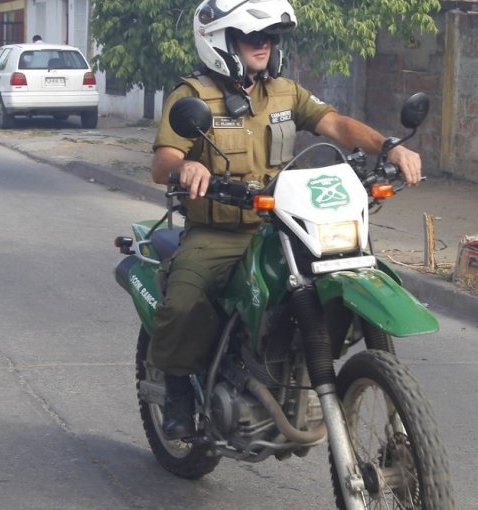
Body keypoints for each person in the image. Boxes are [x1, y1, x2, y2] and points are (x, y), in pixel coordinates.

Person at [150, 0, 422, 440]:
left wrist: (388, 146)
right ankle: (179, 386)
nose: (264, 44)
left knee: (350, 266)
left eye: (270, 37)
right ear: (221, 41)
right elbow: (163, 161)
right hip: (220, 231)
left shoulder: (284, 91)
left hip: (284, 223)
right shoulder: (192, 97)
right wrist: (187, 167)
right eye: (253, 36)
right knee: (186, 297)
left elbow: (334, 124)